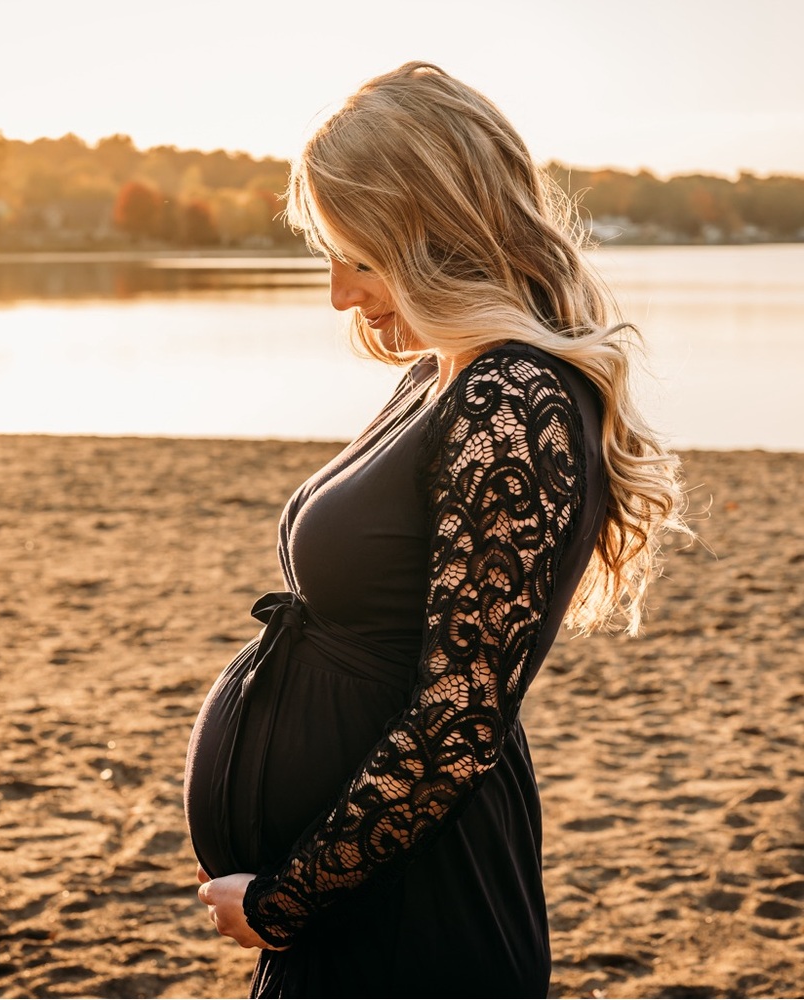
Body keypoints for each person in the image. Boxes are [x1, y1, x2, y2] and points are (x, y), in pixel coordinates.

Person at [184, 61, 688, 998]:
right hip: (362, 901)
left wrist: (285, 900)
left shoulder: (513, 396)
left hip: (416, 913)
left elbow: (459, 720)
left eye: (360, 259)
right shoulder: (447, 374)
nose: (340, 293)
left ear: (438, 238)